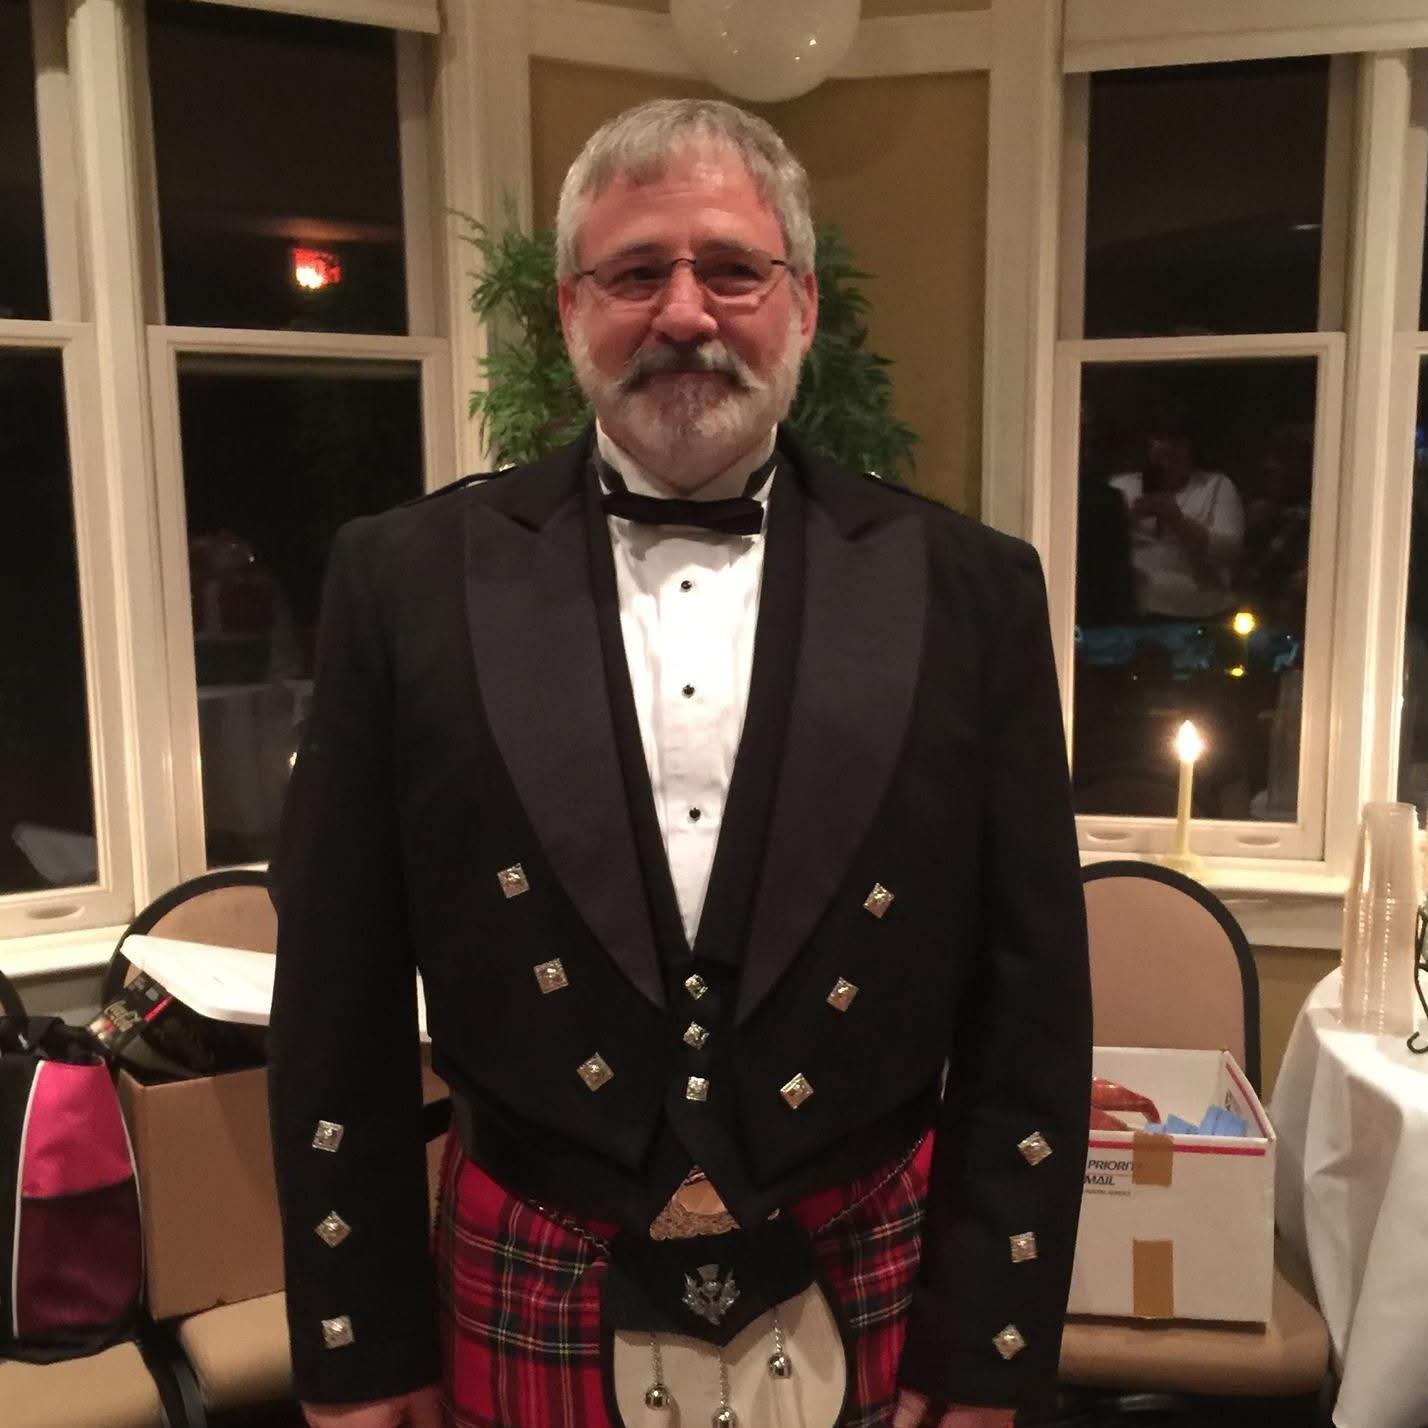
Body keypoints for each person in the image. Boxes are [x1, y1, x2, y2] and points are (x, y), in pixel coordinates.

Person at [268, 98, 1090, 1428]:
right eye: (636, 272)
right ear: (569, 310)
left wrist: (989, 1347)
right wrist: (358, 1347)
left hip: (866, 1260)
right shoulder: (403, 583)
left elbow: (1029, 1009)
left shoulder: (970, 590)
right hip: (530, 1250)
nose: (686, 312)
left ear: (803, 303)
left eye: (733, 270)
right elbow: (335, 1002)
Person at [1109, 411, 1244, 620]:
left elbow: (1230, 550)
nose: (1166, 447)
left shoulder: (1217, 485)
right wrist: (1124, 520)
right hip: (1132, 609)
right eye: (1159, 438)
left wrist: (1177, 521)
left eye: (1176, 441)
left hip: (1201, 609)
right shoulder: (1121, 487)